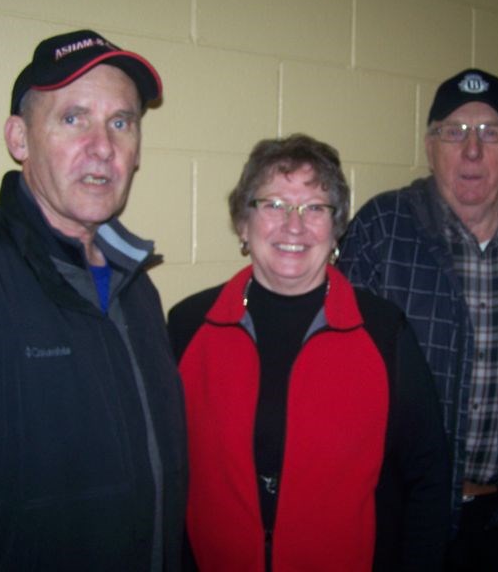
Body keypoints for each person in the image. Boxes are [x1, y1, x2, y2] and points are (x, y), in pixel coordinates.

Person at [0, 30, 187, 571]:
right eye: (73, 118)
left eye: (121, 122)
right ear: (19, 139)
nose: (103, 146)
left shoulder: (138, 290)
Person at [167, 134, 450, 571]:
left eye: (315, 208)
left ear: (336, 229)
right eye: (274, 205)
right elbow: (167, 476)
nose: (293, 225)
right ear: (244, 223)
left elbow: (428, 477)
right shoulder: (188, 327)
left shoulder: (383, 333)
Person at [337, 68, 498, 570]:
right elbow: (337, 367)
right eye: (454, 132)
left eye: (491, 133)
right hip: (412, 517)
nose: (472, 150)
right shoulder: (383, 230)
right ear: (431, 148)